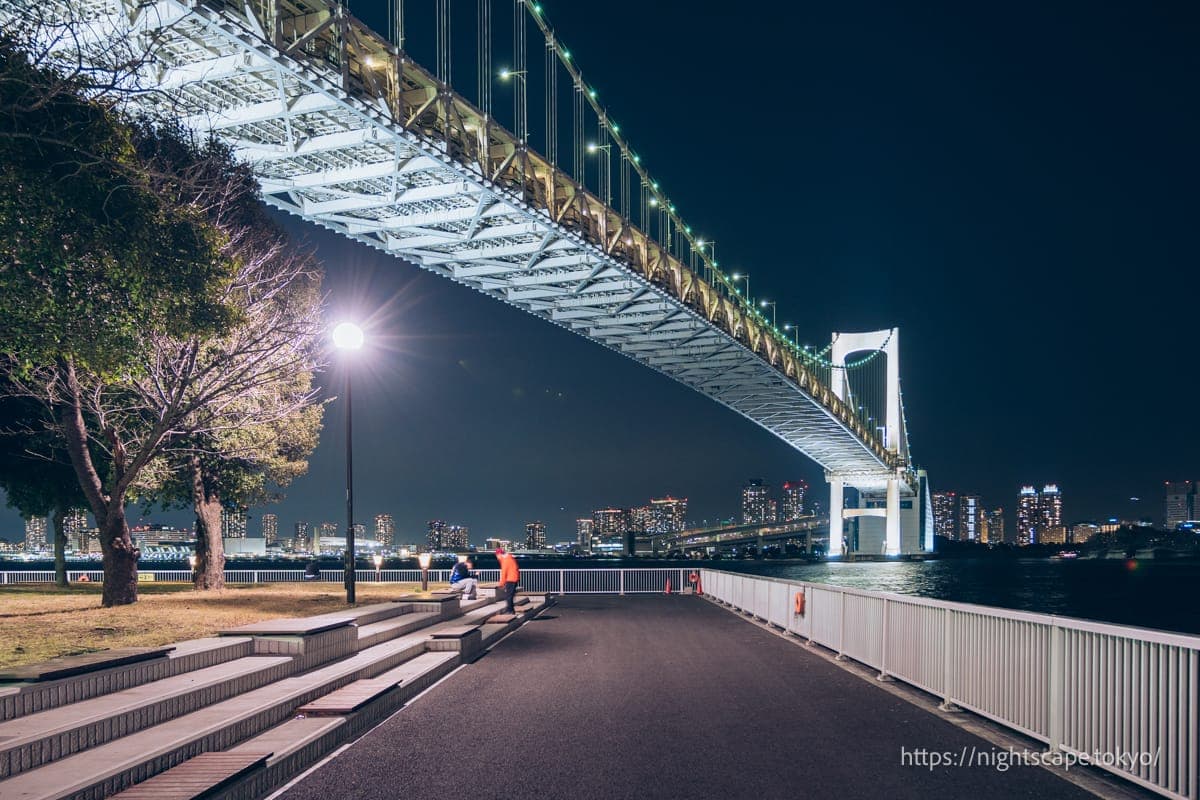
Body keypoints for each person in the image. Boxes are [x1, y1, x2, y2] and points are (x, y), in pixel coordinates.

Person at [496, 547, 520, 613]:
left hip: (510, 579)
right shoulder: (510, 558)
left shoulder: (505, 560)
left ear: (499, 554)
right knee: (510, 595)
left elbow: (504, 572)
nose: (497, 558)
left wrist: (501, 584)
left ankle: (510, 610)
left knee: (508, 596)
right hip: (514, 578)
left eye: (497, 555)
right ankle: (510, 609)